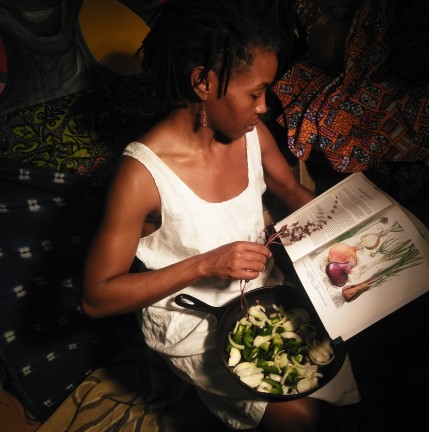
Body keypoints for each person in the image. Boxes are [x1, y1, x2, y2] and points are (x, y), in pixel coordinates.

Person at [81, 1, 361, 431]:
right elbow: (97, 297)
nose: (264, 107)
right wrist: (206, 264)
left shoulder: (251, 133)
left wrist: (353, 233)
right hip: (192, 318)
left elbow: (290, 190)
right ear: (203, 83)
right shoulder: (141, 176)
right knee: (300, 417)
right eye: (255, 93)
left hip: (262, 296)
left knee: (338, 364)